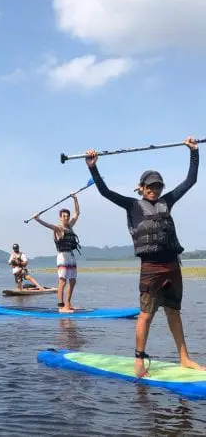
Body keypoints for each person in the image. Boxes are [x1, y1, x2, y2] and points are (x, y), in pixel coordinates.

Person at [85, 136, 204, 377]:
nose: (154, 190)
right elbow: (105, 192)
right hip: (150, 268)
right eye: (149, 186)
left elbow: (191, 180)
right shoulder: (132, 206)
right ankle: (139, 359)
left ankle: (184, 358)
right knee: (146, 315)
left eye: (158, 186)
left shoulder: (167, 201)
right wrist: (93, 167)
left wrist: (193, 152)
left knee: (173, 312)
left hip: (172, 266)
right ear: (141, 187)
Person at [33, 194, 80, 313]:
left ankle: (68, 304)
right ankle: (61, 306)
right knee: (63, 280)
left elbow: (77, 213)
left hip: (71, 256)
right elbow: (48, 225)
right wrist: (38, 219)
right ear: (60, 217)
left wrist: (75, 199)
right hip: (62, 257)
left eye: (67, 216)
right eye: (64, 216)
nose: (66, 218)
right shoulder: (58, 228)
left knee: (73, 281)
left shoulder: (70, 226)